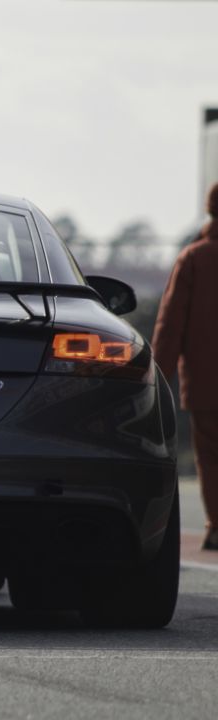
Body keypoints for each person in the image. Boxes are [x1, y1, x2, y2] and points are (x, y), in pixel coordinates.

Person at [152, 181, 218, 550]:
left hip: (206, 382)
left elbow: (170, 324)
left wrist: (156, 379)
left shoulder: (193, 258)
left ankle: (217, 525)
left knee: (210, 456)